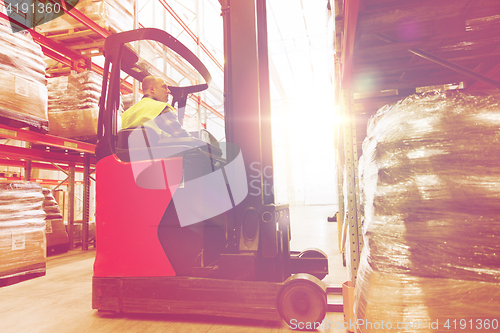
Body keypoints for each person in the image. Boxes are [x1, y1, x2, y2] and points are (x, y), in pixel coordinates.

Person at [121, 75, 191, 144]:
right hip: (159, 154)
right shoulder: (161, 108)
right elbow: (181, 136)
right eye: (164, 87)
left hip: (129, 155)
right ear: (152, 89)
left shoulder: (126, 114)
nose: (169, 91)